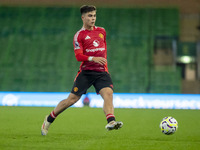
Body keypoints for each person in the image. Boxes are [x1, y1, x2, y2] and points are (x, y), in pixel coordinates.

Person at [41, 5, 123, 136]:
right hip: (86, 72)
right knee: (71, 100)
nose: (93, 18)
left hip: (102, 72)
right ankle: (49, 119)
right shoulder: (79, 35)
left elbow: (103, 49)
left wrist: (101, 61)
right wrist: (93, 58)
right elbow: (79, 56)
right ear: (83, 17)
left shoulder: (102, 31)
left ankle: (111, 121)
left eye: (94, 15)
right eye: (90, 16)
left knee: (108, 94)